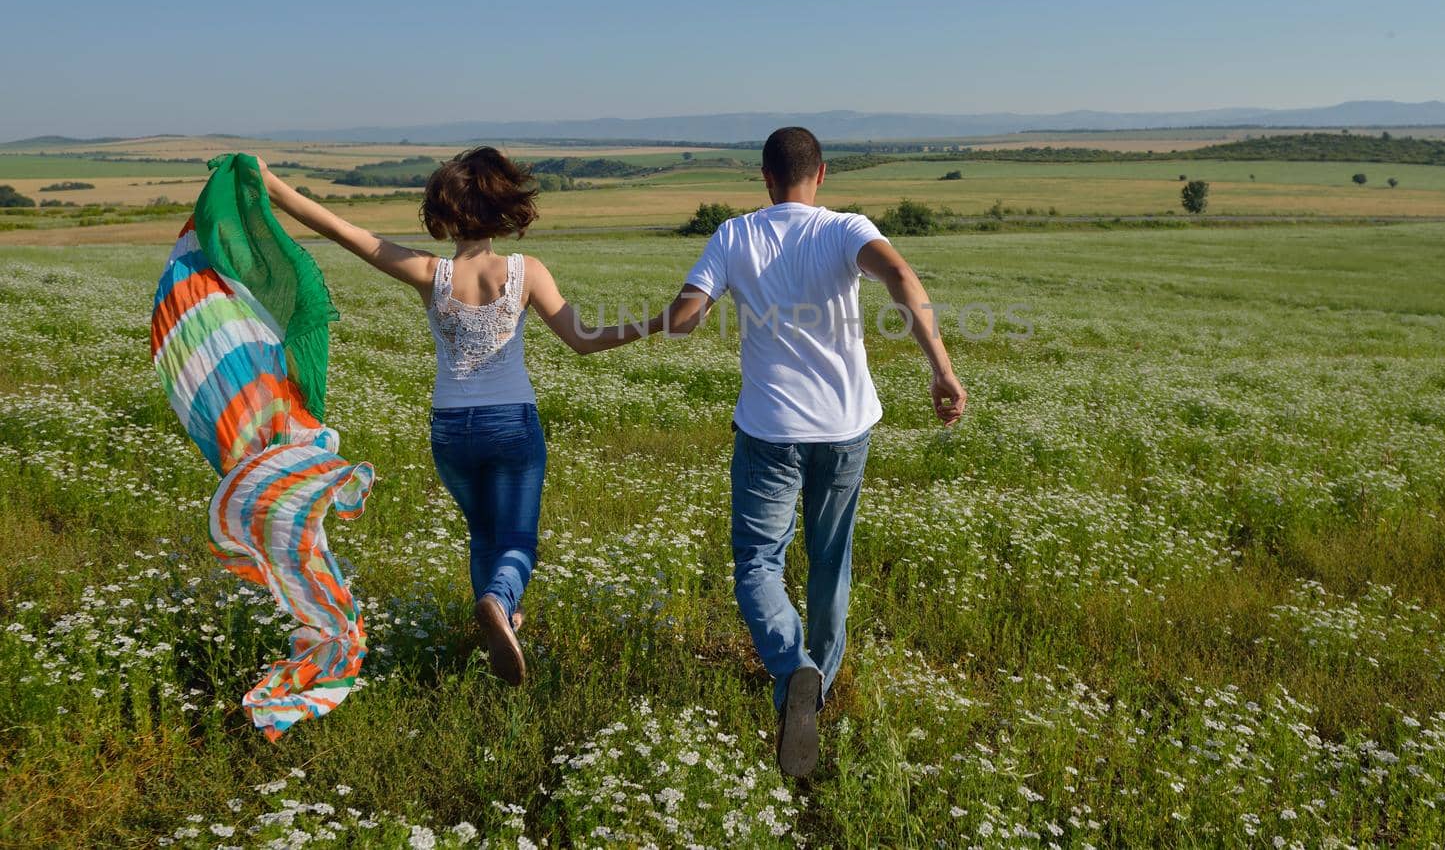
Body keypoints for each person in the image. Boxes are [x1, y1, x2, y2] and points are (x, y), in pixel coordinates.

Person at [252, 148, 649, 687]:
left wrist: (271, 185)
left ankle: (500, 621)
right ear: (502, 206)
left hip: (450, 429)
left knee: (482, 533)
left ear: (446, 210)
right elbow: (583, 340)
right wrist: (656, 324)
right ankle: (499, 599)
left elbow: (345, 232)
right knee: (517, 541)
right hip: (512, 423)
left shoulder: (427, 272)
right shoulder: (526, 272)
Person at [646, 126, 967, 777]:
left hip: (769, 431)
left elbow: (685, 318)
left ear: (764, 177)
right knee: (830, 560)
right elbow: (901, 275)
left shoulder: (734, 235)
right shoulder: (846, 229)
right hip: (845, 428)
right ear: (820, 174)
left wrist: (663, 318)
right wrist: (941, 368)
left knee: (759, 561)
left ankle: (793, 669)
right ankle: (812, 692)